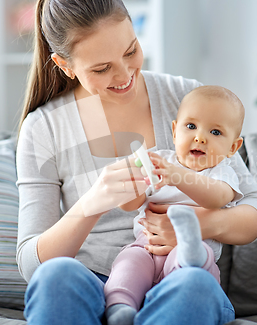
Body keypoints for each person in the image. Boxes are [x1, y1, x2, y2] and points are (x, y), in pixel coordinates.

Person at [16, 0, 257, 324]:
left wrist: (197, 225)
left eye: (131, 51)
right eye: (102, 68)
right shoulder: (44, 128)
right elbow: (31, 264)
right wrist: (93, 202)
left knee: (194, 286)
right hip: (94, 286)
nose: (124, 75)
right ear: (65, 65)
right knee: (56, 278)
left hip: (177, 282)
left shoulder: (185, 98)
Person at [104, 85, 246, 325]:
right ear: (174, 131)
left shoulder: (222, 172)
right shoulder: (161, 160)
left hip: (192, 255)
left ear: (233, 147)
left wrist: (178, 176)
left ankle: (188, 255)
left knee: (195, 260)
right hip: (147, 248)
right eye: (191, 126)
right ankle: (120, 308)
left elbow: (217, 198)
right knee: (128, 261)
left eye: (215, 132)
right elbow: (130, 206)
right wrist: (133, 181)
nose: (200, 137)